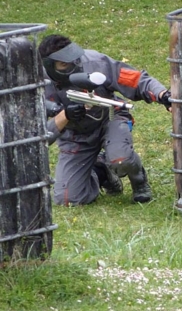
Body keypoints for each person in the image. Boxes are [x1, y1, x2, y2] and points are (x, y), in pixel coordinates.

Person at [40, 34, 172, 206]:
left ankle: (139, 180)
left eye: (74, 59)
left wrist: (163, 95)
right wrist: (65, 115)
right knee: (68, 199)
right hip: (75, 135)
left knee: (120, 159)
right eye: (64, 64)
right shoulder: (37, 83)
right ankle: (101, 171)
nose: (74, 65)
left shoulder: (95, 62)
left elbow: (135, 79)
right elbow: (40, 137)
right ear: (49, 66)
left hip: (109, 117)